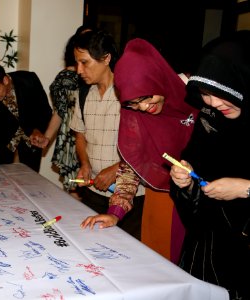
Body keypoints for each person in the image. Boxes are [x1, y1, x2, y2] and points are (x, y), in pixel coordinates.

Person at [80, 38, 199, 264]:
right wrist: (115, 212)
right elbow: (131, 167)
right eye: (133, 103)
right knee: (163, 265)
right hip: (163, 201)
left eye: (146, 97)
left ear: (158, 79)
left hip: (209, 199)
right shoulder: (136, 116)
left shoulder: (198, 95)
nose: (145, 107)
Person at [169, 31, 250, 299]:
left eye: (220, 94)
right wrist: (185, 178)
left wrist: (245, 188)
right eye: (205, 93)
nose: (213, 103)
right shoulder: (211, 117)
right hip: (208, 248)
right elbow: (194, 161)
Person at [70, 30, 145, 240]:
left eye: (84, 62)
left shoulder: (131, 95)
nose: (79, 70)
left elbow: (144, 146)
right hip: (93, 192)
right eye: (77, 63)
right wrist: (84, 164)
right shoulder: (83, 93)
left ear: (106, 58)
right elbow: (80, 135)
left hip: (131, 197)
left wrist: (115, 169)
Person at [30, 25, 91, 191]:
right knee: (75, 192)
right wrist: (47, 138)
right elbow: (61, 112)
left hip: (97, 142)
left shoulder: (107, 77)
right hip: (72, 142)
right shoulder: (64, 78)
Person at [0, 62, 52, 172]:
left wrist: (37, 130)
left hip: (31, 140)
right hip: (4, 142)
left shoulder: (29, 80)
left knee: (30, 180)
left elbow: (45, 111)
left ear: (5, 80)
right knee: (0, 179)